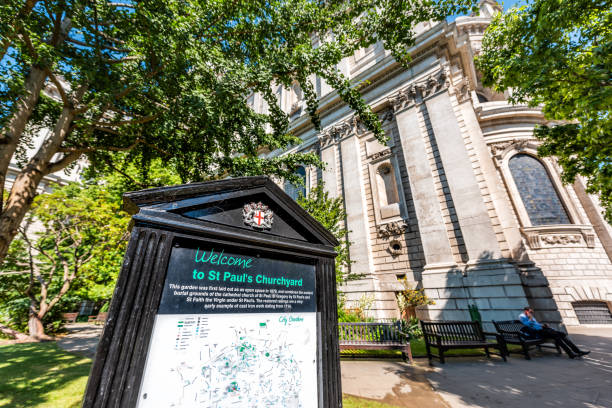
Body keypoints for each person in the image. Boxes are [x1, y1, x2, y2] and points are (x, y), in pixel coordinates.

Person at [519, 306, 590, 359]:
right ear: (526, 311)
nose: (531, 313)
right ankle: (575, 352)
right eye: (530, 312)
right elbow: (527, 325)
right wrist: (530, 318)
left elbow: (536, 324)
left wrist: (543, 325)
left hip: (543, 330)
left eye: (532, 312)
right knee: (561, 335)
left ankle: (574, 353)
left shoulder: (531, 316)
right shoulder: (522, 316)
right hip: (537, 333)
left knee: (559, 337)